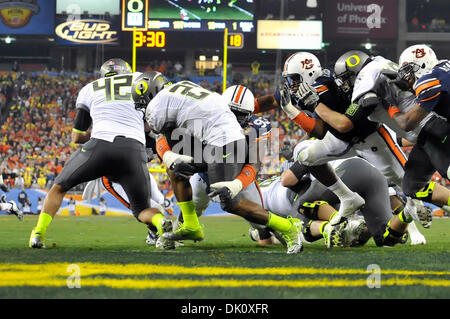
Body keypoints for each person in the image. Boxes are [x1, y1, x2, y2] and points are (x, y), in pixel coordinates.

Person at [132, 74, 303, 254]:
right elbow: (168, 137)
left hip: (229, 156)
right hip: (212, 152)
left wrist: (235, 185)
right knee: (175, 169)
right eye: (231, 111)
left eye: (241, 114)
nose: (236, 117)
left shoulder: (255, 127)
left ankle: (287, 227)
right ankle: (190, 225)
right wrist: (170, 157)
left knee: (234, 205)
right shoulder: (188, 94)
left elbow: (254, 165)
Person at [28, 58, 173, 249]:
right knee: (142, 209)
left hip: (100, 145)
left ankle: (38, 233)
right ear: (126, 71)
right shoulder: (139, 78)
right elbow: (159, 105)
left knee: (59, 187)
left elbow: (77, 136)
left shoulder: (90, 88)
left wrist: (96, 132)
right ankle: (161, 225)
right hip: (133, 150)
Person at [255, 52, 366, 226]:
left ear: (307, 75)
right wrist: (244, 108)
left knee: (302, 160)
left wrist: (292, 112)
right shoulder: (304, 88)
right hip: (340, 143)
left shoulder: (322, 88)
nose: (290, 84)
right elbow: (269, 101)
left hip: (355, 139)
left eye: (293, 79)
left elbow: (321, 131)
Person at [391, 44, 450, 209]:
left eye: (409, 71)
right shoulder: (443, 66)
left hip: (444, 129)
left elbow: (407, 123)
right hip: (440, 127)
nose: (407, 78)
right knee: (412, 185)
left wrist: (390, 106)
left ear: (421, 65)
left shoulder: (428, 81)